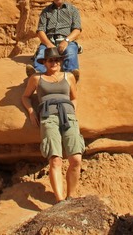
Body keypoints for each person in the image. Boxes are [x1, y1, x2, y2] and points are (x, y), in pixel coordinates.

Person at [21, 47, 85, 203]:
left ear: (61, 61)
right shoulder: (37, 78)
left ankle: (71, 196)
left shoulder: (69, 76)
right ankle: (60, 200)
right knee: (55, 159)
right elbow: (25, 97)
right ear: (45, 63)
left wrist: (72, 110)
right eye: (50, 60)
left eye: (57, 60)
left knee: (76, 158)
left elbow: (74, 97)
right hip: (48, 117)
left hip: (68, 116)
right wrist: (31, 112)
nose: (54, 62)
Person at [29, 0, 82, 80]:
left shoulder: (73, 10)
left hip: (66, 41)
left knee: (70, 52)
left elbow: (77, 29)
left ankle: (70, 76)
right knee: (42, 53)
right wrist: (48, 44)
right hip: (49, 41)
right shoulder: (45, 11)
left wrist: (66, 41)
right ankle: (38, 75)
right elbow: (40, 31)